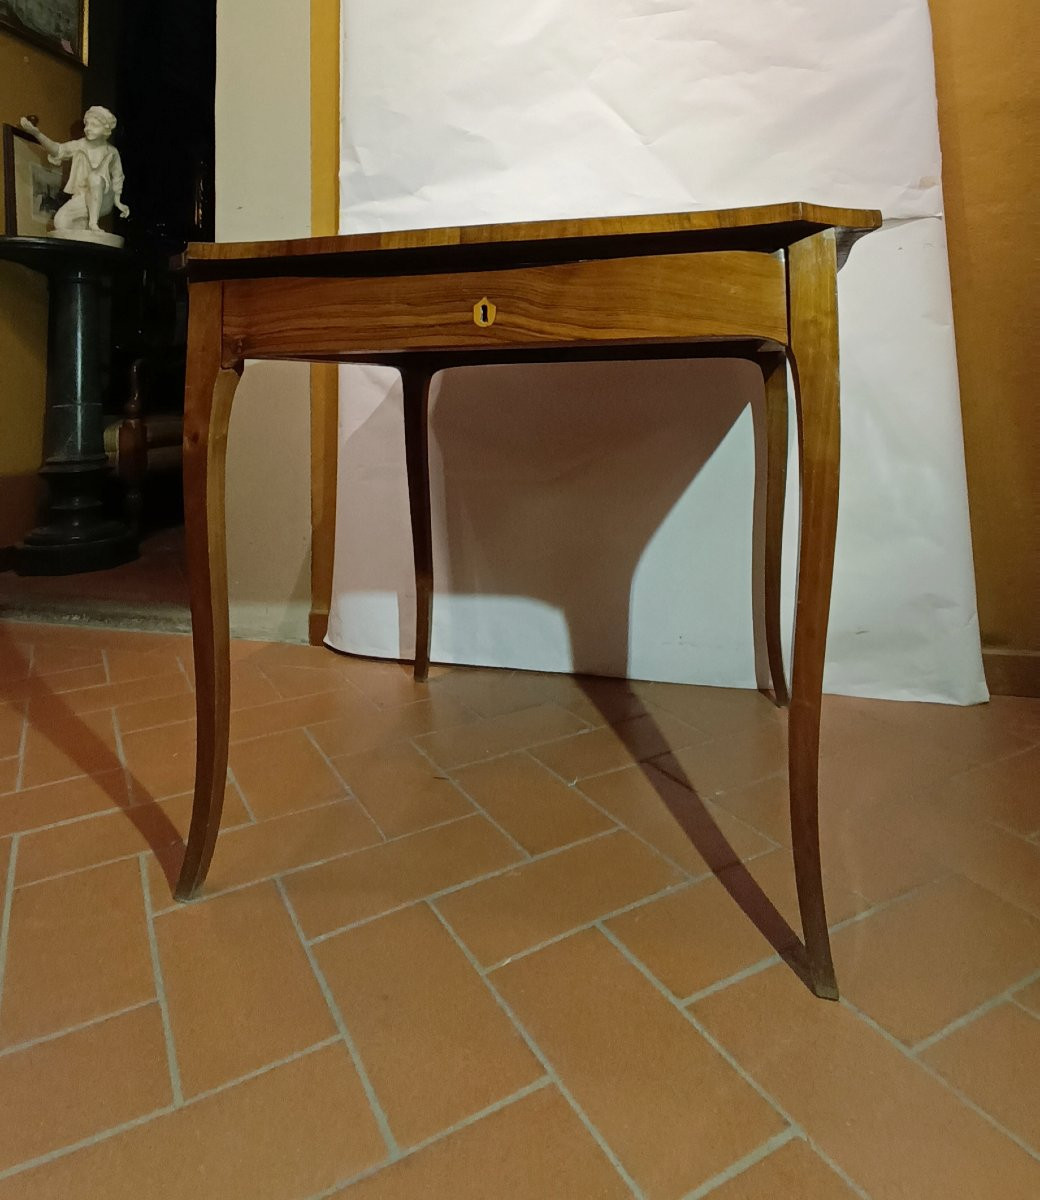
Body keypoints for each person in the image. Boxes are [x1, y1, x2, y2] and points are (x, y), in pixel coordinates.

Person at [20, 107, 130, 235]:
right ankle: (86, 230)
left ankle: (93, 223)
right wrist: (36, 134)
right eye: (87, 124)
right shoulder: (80, 145)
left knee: (95, 178)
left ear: (106, 129)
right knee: (60, 223)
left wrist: (118, 201)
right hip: (83, 196)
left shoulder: (112, 152)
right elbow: (58, 150)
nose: (88, 128)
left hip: (104, 199)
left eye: (94, 125)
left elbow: (118, 177)